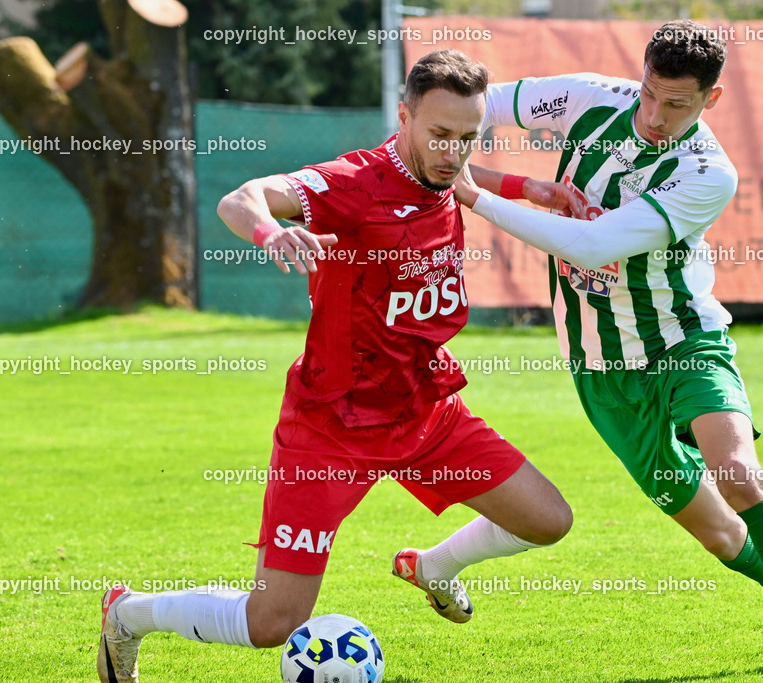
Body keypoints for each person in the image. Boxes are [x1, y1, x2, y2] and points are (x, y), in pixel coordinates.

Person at [96, 49, 572, 683]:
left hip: (425, 412)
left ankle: (433, 566)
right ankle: (129, 614)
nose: (452, 151)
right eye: (438, 134)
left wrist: (528, 188)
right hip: (332, 428)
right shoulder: (352, 183)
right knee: (273, 625)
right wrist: (272, 232)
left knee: (549, 520)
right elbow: (243, 198)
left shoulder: (441, 166)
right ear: (403, 118)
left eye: (466, 137)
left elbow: (464, 177)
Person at [456, 19, 763, 683]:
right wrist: (496, 174)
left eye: (675, 104)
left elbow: (594, 246)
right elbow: (473, 110)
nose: (654, 115)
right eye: (649, 94)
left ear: (710, 100)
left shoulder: (708, 172)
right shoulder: (585, 97)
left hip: (685, 342)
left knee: (739, 472)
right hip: (603, 369)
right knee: (721, 537)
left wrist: (474, 195)